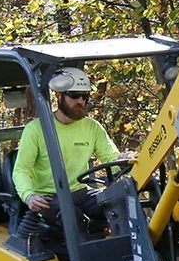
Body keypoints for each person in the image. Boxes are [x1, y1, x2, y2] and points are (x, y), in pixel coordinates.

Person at [12, 67, 121, 225]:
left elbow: (112, 159)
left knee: (120, 205)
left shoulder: (92, 127)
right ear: (58, 96)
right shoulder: (36, 129)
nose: (81, 101)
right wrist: (29, 196)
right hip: (49, 197)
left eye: (85, 97)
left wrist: (123, 160)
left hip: (82, 193)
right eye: (75, 95)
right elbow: (21, 169)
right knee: (73, 218)